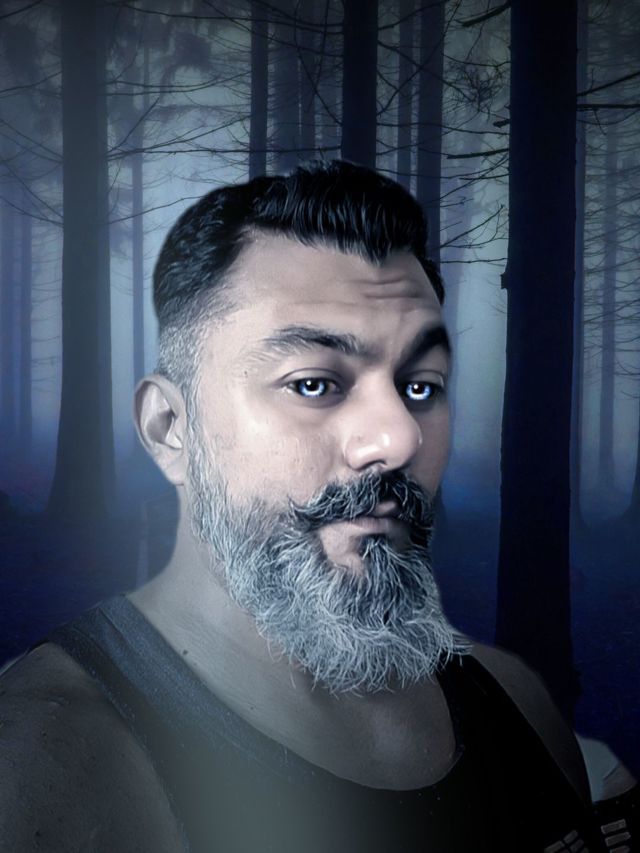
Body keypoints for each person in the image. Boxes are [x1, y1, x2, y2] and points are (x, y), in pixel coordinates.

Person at [0, 160, 636, 852]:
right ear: (170, 428)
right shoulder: (44, 764)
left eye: (420, 386)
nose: (398, 438)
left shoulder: (519, 707)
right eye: (312, 384)